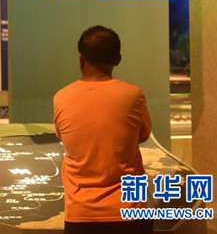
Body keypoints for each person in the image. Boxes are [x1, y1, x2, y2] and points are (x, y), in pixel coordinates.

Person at [53, 25, 153, 234]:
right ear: (117, 59)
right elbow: (143, 135)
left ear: (81, 58)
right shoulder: (134, 95)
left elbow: (64, 137)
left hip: (80, 214)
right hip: (129, 213)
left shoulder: (61, 97)